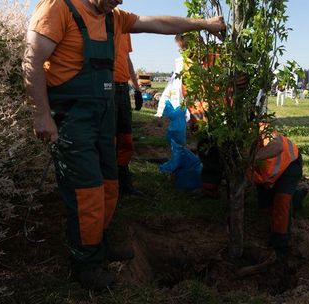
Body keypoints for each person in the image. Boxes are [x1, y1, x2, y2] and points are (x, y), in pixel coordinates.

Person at [23, 0, 225, 290]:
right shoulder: (60, 7)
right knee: (86, 192)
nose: (118, 2)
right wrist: (41, 114)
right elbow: (32, 59)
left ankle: (98, 243)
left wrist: (203, 24)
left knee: (108, 184)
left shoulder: (114, 17)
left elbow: (158, 24)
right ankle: (86, 264)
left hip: (104, 116)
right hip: (72, 118)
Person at [248, 128, 305, 258]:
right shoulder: (231, 145)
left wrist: (252, 158)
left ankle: (280, 246)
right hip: (269, 176)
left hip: (290, 164)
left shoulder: (262, 128)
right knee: (267, 208)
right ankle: (297, 198)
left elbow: (277, 146)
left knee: (281, 203)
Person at [114, 33, 143, 196]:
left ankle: (124, 182)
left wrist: (137, 88)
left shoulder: (123, 29)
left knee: (125, 137)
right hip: (105, 88)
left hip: (123, 88)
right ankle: (107, 186)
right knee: (107, 139)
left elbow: (127, 58)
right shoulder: (98, 22)